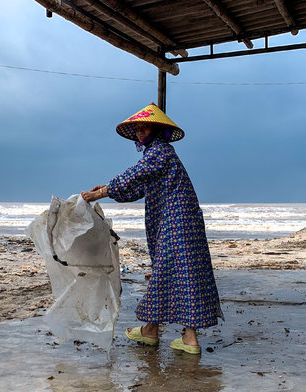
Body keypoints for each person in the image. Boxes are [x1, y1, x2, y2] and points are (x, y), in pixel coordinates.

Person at [81, 103, 223, 355]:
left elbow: (134, 175)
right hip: (179, 220)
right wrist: (107, 189)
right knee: (183, 275)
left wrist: (102, 193)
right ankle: (183, 336)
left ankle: (153, 330)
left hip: (176, 221)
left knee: (167, 272)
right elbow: (136, 188)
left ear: (157, 130)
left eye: (144, 127)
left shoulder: (160, 152)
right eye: (137, 129)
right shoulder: (156, 157)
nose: (140, 132)